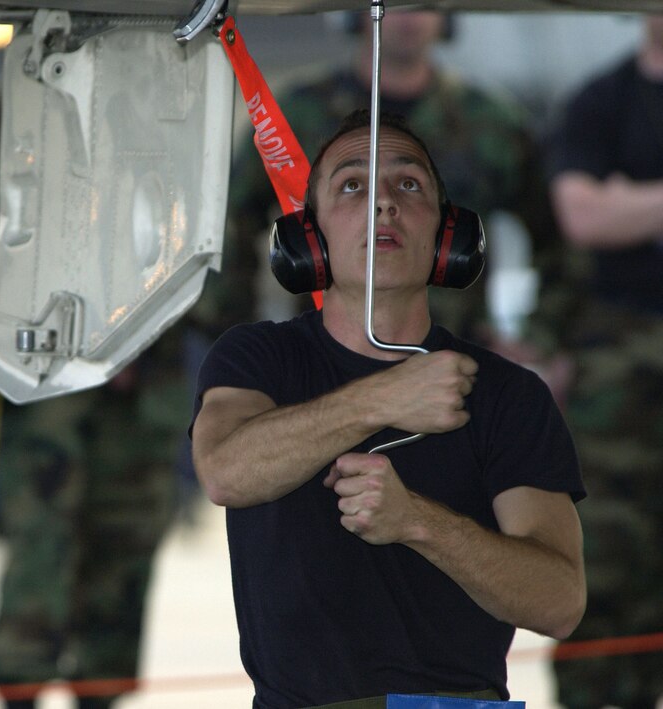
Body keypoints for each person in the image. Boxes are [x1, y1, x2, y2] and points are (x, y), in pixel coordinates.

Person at [190, 109, 586, 708]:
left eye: (409, 185)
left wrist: (418, 522)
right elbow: (225, 471)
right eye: (352, 185)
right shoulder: (257, 358)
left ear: (447, 236)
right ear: (309, 238)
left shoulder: (506, 394)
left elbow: (559, 601)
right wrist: (385, 396)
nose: (384, 205)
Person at [0, 91, 189, 709]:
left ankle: (99, 690)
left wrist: (132, 331)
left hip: (143, 377)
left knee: (126, 539)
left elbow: (190, 225)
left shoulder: (173, 108)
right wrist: (93, 328)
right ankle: (21, 682)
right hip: (46, 362)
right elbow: (0, 236)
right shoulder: (11, 111)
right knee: (42, 537)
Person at [224, 10, 556, 345]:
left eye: (424, 2)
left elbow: (558, 232)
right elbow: (231, 222)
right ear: (356, 14)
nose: (410, 16)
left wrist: (539, 339)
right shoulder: (299, 114)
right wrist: (242, 340)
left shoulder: (490, 121)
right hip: (326, 354)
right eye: (394, 3)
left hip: (452, 354)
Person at [544, 16, 663, 709]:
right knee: (604, 558)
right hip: (616, 368)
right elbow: (582, 216)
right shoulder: (600, 101)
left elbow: (604, 210)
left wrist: (632, 200)